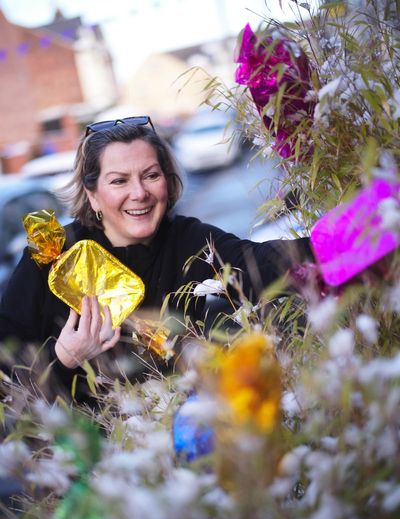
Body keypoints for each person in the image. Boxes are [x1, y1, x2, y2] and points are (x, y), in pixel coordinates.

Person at [0, 116, 313, 402]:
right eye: (119, 181)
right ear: (92, 194)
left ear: (168, 180)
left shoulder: (188, 239)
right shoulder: (50, 259)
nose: (139, 193)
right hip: (83, 453)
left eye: (150, 175)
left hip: (175, 431)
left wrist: (349, 231)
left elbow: (266, 262)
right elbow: (7, 383)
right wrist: (64, 358)